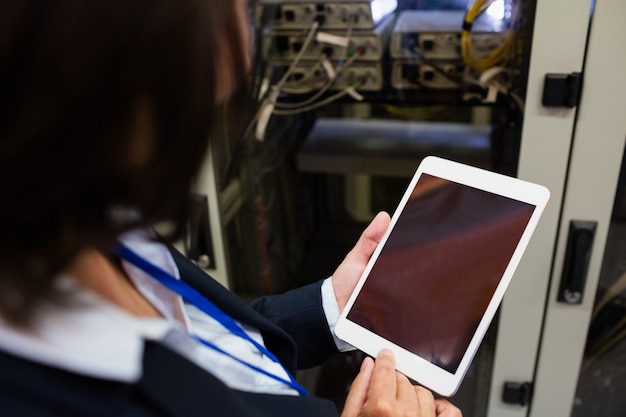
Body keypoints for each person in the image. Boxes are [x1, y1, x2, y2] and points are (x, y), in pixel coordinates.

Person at [0, 1, 462, 416]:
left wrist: (333, 307)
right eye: (234, 13)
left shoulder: (100, 219)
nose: (245, 57)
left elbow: (211, 348)